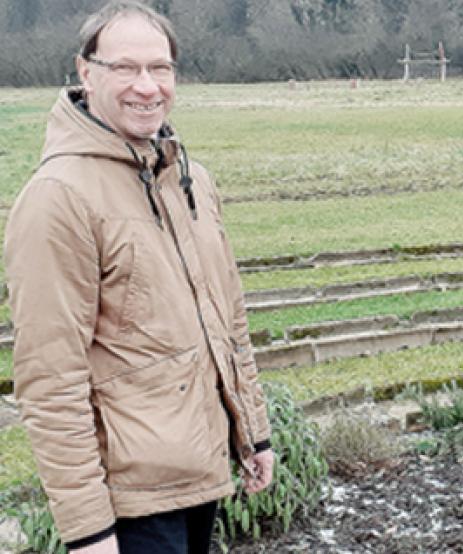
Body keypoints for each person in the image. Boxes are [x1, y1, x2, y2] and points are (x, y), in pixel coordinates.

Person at [5, 3, 275, 553]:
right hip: (129, 503)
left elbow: (228, 316)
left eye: (161, 68)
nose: (147, 87)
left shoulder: (188, 178)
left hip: (197, 476)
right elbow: (50, 378)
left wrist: (254, 430)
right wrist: (89, 530)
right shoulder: (59, 199)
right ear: (86, 72)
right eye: (125, 68)